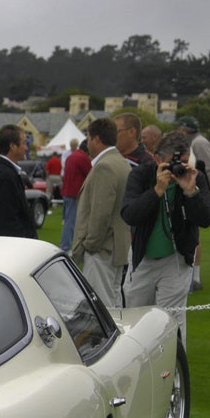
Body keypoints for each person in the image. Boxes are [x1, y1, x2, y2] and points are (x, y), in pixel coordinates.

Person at [121, 131, 210, 341]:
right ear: (157, 159)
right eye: (172, 162)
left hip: (176, 259)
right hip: (142, 259)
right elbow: (129, 214)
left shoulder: (195, 176)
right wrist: (156, 191)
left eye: (182, 161)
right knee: (135, 320)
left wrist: (191, 193)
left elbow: (207, 218)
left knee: (172, 322)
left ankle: (175, 372)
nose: (178, 167)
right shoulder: (141, 175)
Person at [71, 118, 131, 307]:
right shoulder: (121, 162)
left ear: (96, 139)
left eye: (88, 138)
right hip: (117, 246)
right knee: (113, 302)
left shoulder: (105, 166)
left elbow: (100, 213)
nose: (87, 143)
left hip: (102, 249)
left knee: (101, 308)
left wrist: (91, 245)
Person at [174, 116, 210, 291]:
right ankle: (193, 277)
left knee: (195, 235)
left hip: (194, 190)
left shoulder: (198, 143)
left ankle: (195, 277)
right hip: (189, 188)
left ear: (184, 129)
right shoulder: (194, 142)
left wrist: (200, 183)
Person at [0, 124, 37, 239]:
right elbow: (5, 221)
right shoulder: (4, 175)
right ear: (13, 146)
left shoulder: (4, 170)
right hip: (14, 246)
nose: (26, 148)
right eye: (23, 143)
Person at [59, 140, 91, 253]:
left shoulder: (71, 156)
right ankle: (65, 247)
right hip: (74, 193)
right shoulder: (82, 158)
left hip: (67, 192)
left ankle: (66, 246)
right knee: (71, 222)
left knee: (69, 220)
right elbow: (91, 173)